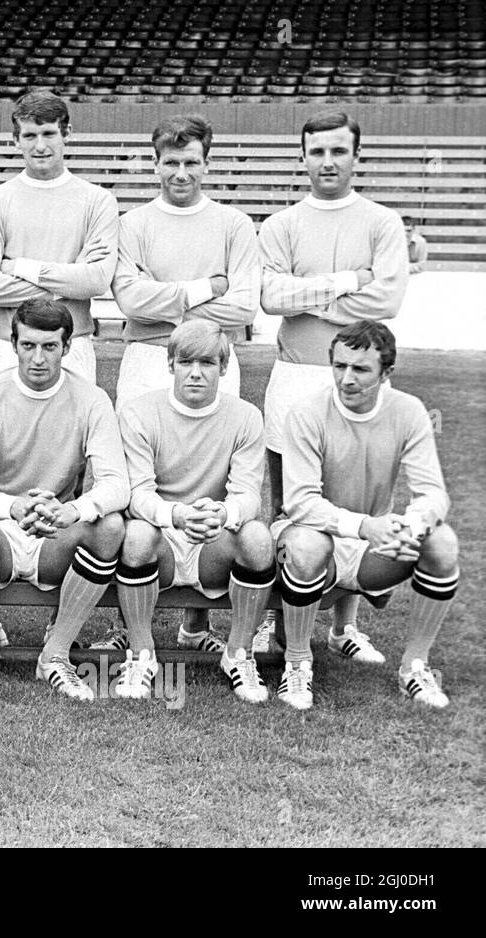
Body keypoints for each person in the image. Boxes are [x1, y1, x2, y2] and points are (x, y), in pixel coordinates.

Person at [257, 110, 409, 655]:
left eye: (338, 151)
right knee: (290, 508)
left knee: (360, 502)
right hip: (295, 377)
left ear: (355, 156)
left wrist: (309, 293)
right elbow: (272, 298)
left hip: (361, 383)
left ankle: (344, 627)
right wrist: (349, 282)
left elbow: (386, 300)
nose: (327, 161)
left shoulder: (381, 222)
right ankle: (277, 625)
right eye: (317, 151)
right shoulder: (280, 225)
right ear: (303, 157)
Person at [0, 299, 128, 698]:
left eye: (49, 346)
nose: (38, 357)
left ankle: (56, 655)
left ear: (67, 347)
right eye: (28, 345)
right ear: (13, 344)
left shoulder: (92, 400)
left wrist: (72, 511)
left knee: (110, 525)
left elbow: (117, 485)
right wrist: (10, 506)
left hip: (55, 534)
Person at [272, 322, 458, 710]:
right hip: (305, 539)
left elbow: (433, 494)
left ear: (386, 373)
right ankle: (297, 664)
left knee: (442, 543)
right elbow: (300, 502)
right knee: (307, 543)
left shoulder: (408, 411)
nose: (346, 379)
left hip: (369, 549)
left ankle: (415, 667)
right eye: (339, 366)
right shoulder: (307, 412)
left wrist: (412, 526)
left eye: (360, 370)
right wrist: (364, 526)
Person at [113, 321, 277, 702]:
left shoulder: (246, 417)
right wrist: (178, 516)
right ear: (170, 364)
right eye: (186, 361)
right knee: (135, 534)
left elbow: (249, 494)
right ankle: (141, 654)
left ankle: (238, 654)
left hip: (211, 540)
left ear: (223, 367)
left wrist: (222, 515)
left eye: (207, 363)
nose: (196, 372)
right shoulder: (138, 413)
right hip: (163, 538)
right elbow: (137, 494)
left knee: (256, 536)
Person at [0, 89, 118, 384]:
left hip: (70, 346)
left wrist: (19, 267)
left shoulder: (97, 201)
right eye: (29, 136)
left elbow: (96, 280)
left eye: (49, 133)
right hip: (3, 346)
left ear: (67, 133)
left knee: (71, 430)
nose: (40, 146)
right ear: (15, 140)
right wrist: (69, 282)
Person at [111, 115, 258, 404]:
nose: (181, 173)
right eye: (171, 163)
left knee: (213, 449)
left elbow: (244, 308)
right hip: (146, 360)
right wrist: (207, 289)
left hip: (213, 357)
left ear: (206, 164)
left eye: (190, 163)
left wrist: (158, 300)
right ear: (156, 164)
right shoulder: (131, 224)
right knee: (140, 447)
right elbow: (130, 301)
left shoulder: (235, 224)